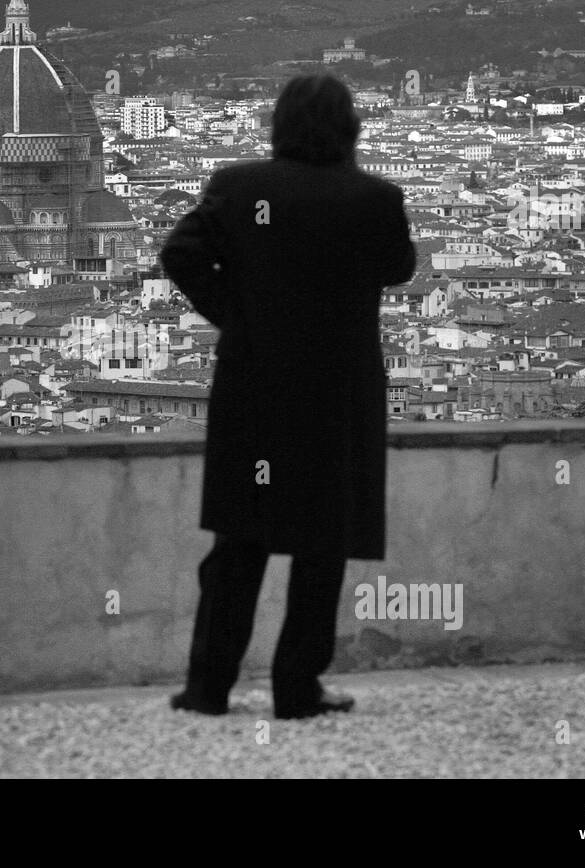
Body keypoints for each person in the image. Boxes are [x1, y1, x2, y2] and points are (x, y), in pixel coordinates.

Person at [160, 73, 416, 720]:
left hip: (255, 388)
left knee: (239, 544)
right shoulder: (375, 199)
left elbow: (181, 253)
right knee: (320, 548)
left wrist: (237, 317)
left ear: (278, 124)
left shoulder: (241, 188)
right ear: (350, 127)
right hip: (337, 394)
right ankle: (297, 690)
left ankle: (208, 688)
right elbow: (398, 268)